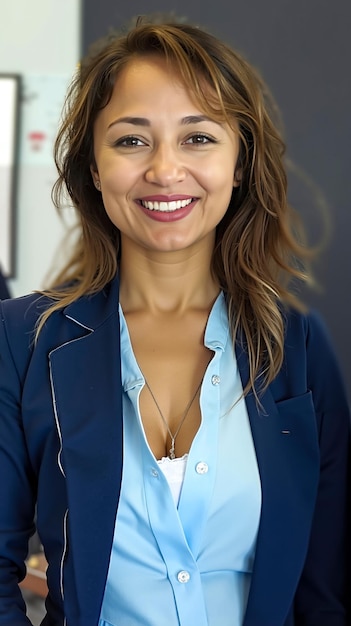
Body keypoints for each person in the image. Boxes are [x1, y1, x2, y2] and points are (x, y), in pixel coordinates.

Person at [0, 16, 350, 626]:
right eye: (131, 140)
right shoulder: (23, 340)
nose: (165, 170)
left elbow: (327, 589)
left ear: (239, 162)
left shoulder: (296, 347)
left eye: (198, 138)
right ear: (93, 167)